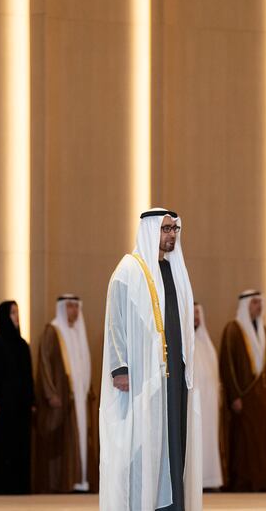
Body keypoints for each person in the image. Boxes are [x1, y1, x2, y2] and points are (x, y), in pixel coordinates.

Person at [100, 208, 202, 511]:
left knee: (174, 440)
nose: (171, 235)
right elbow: (114, 321)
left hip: (174, 375)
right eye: (165, 229)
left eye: (174, 230)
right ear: (150, 230)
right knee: (144, 442)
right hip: (143, 377)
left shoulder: (174, 271)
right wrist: (120, 368)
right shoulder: (129, 270)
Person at [34, 295, 97, 493]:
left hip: (79, 398)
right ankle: (64, 481)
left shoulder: (78, 333)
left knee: (80, 438)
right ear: (62, 308)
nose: (74, 311)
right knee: (63, 441)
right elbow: (43, 364)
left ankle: (81, 481)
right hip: (61, 398)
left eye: (76, 307)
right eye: (69, 307)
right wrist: (50, 392)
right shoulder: (53, 331)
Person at [219, 290, 266, 491]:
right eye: (254, 303)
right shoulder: (233, 330)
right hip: (244, 399)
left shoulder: (263, 329)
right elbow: (227, 366)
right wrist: (234, 396)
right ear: (245, 305)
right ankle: (243, 483)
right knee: (243, 443)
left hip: (262, 398)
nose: (258, 306)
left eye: (259, 302)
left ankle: (261, 481)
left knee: (261, 441)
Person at [0, 301, 33, 494]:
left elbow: (29, 377)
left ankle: (20, 488)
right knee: (1, 448)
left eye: (17, 312)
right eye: (13, 312)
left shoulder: (23, 345)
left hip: (21, 407)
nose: (17, 316)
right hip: (2, 407)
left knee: (20, 448)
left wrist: (32, 402)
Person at [193, 303, 223, 490]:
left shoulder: (206, 342)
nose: (196, 317)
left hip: (209, 403)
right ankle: (196, 480)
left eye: (198, 313)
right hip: (194, 402)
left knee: (209, 440)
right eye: (193, 313)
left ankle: (210, 480)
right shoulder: (183, 340)